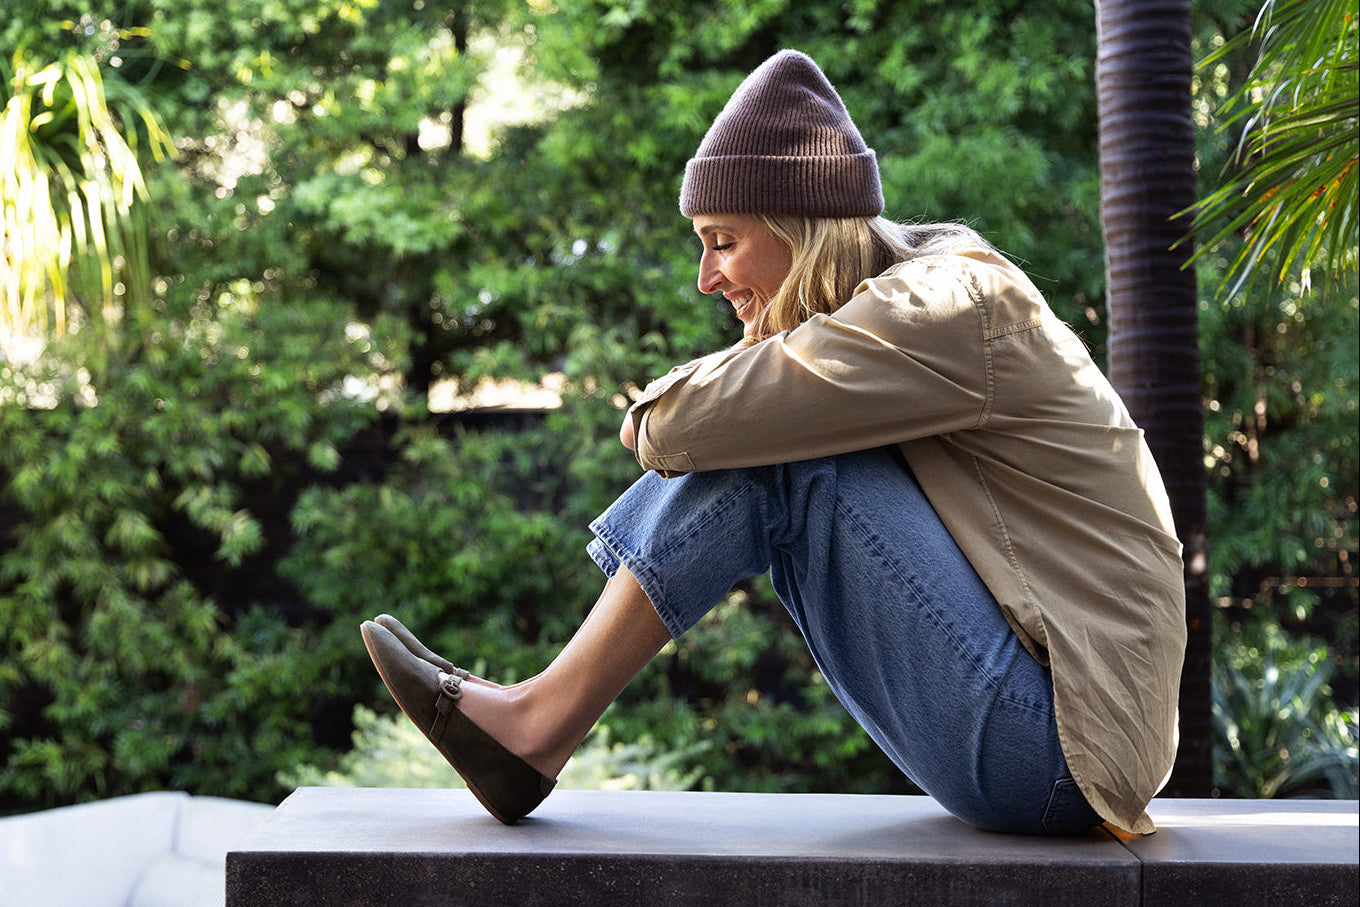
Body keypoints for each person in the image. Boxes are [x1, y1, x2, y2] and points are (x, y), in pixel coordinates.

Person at [360, 49, 1186, 836]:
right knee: (777, 432)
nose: (706, 277)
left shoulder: (950, 304)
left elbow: (675, 426)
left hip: (1059, 753)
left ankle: (535, 728)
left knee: (783, 454)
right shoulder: (905, 309)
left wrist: (679, 397)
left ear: (806, 226)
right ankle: (533, 724)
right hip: (1049, 739)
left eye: (723, 241)